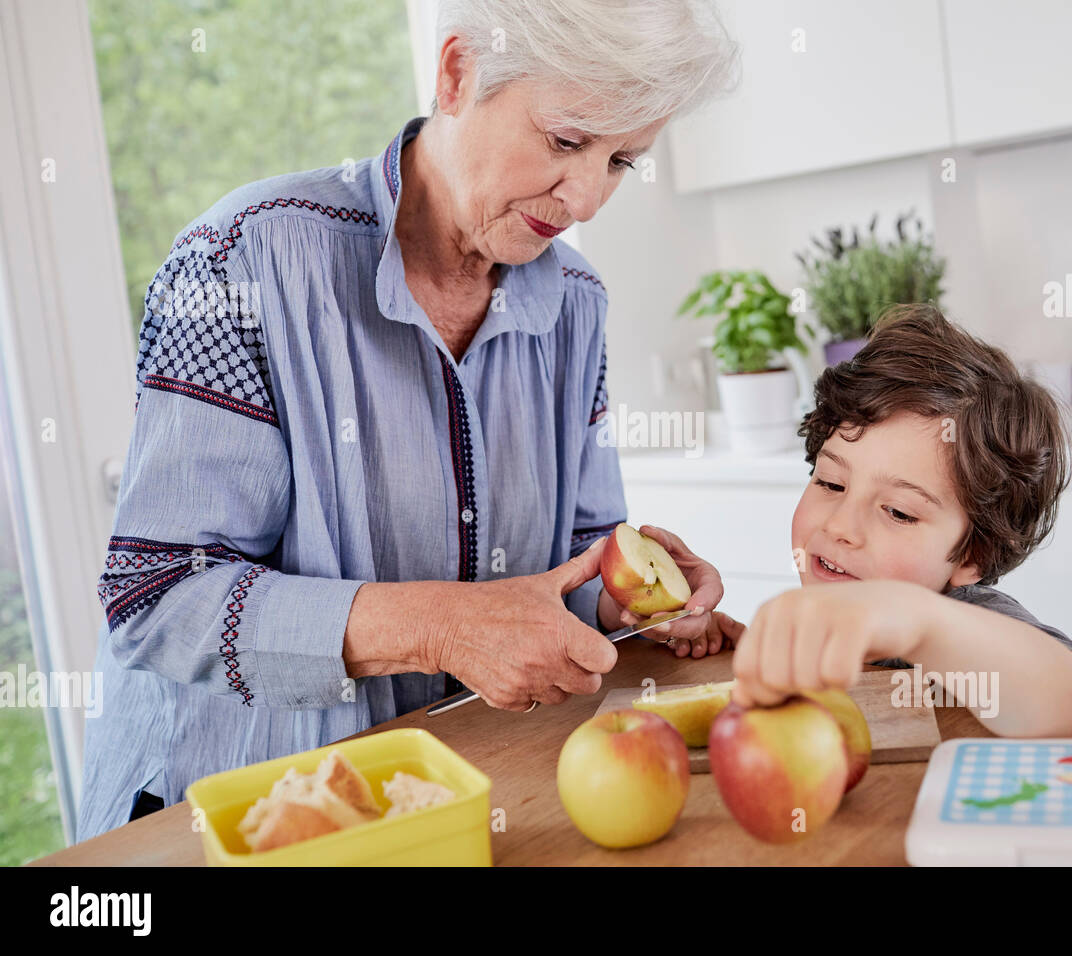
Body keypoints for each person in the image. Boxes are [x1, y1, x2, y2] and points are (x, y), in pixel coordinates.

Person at [78, 0, 741, 841]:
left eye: (623, 162)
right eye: (568, 140)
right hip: (242, 822)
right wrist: (440, 626)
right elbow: (156, 596)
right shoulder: (242, 259)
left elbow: (575, 569)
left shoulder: (576, 305)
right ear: (458, 72)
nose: (587, 199)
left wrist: (635, 597)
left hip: (458, 804)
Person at [712, 304, 1072, 736]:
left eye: (898, 511)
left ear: (973, 553)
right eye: (831, 483)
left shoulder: (964, 619)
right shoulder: (829, 609)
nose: (840, 527)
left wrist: (919, 623)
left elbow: (1070, 707)